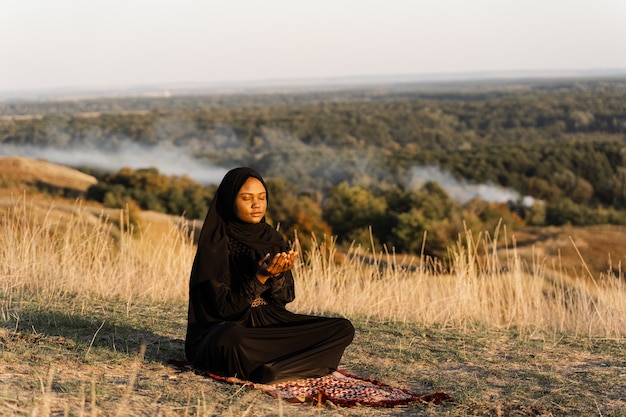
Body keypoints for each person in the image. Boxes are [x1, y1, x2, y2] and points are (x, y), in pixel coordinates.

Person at [185, 167, 354, 384]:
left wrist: (279, 275)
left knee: (342, 329)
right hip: (231, 330)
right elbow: (225, 310)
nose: (257, 204)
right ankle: (291, 365)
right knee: (229, 339)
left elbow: (285, 298)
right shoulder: (216, 243)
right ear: (229, 201)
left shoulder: (272, 238)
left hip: (269, 325)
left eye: (262, 197)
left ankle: (276, 370)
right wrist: (260, 278)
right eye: (247, 198)